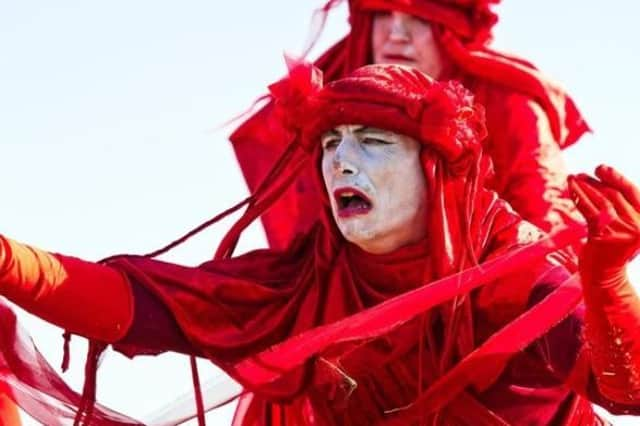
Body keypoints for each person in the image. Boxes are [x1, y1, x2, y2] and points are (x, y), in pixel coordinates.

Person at [0, 63, 638, 425]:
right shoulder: (305, 279)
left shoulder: (510, 269)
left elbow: (628, 391)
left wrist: (608, 283)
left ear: (437, 169)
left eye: (374, 142)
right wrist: (7, 261)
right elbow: (135, 303)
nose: (342, 163)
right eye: (332, 144)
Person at [230, 0, 590, 250]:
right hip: (366, 307)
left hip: (484, 302)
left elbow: (546, 217)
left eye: (418, 17)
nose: (397, 34)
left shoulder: (508, 103)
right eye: (383, 14)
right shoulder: (335, 95)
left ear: (449, 30)